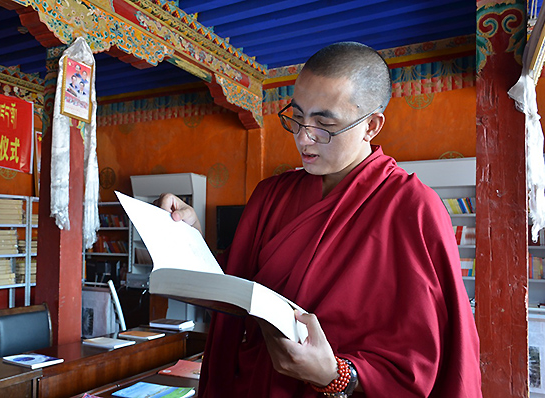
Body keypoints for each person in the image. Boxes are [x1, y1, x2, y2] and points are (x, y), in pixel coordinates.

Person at [155, 42, 482, 397]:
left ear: (371, 125)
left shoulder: (413, 209)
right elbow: (237, 289)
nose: (303, 137)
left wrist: (335, 375)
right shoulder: (271, 195)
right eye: (296, 116)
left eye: (324, 124)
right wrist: (192, 239)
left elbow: (425, 361)